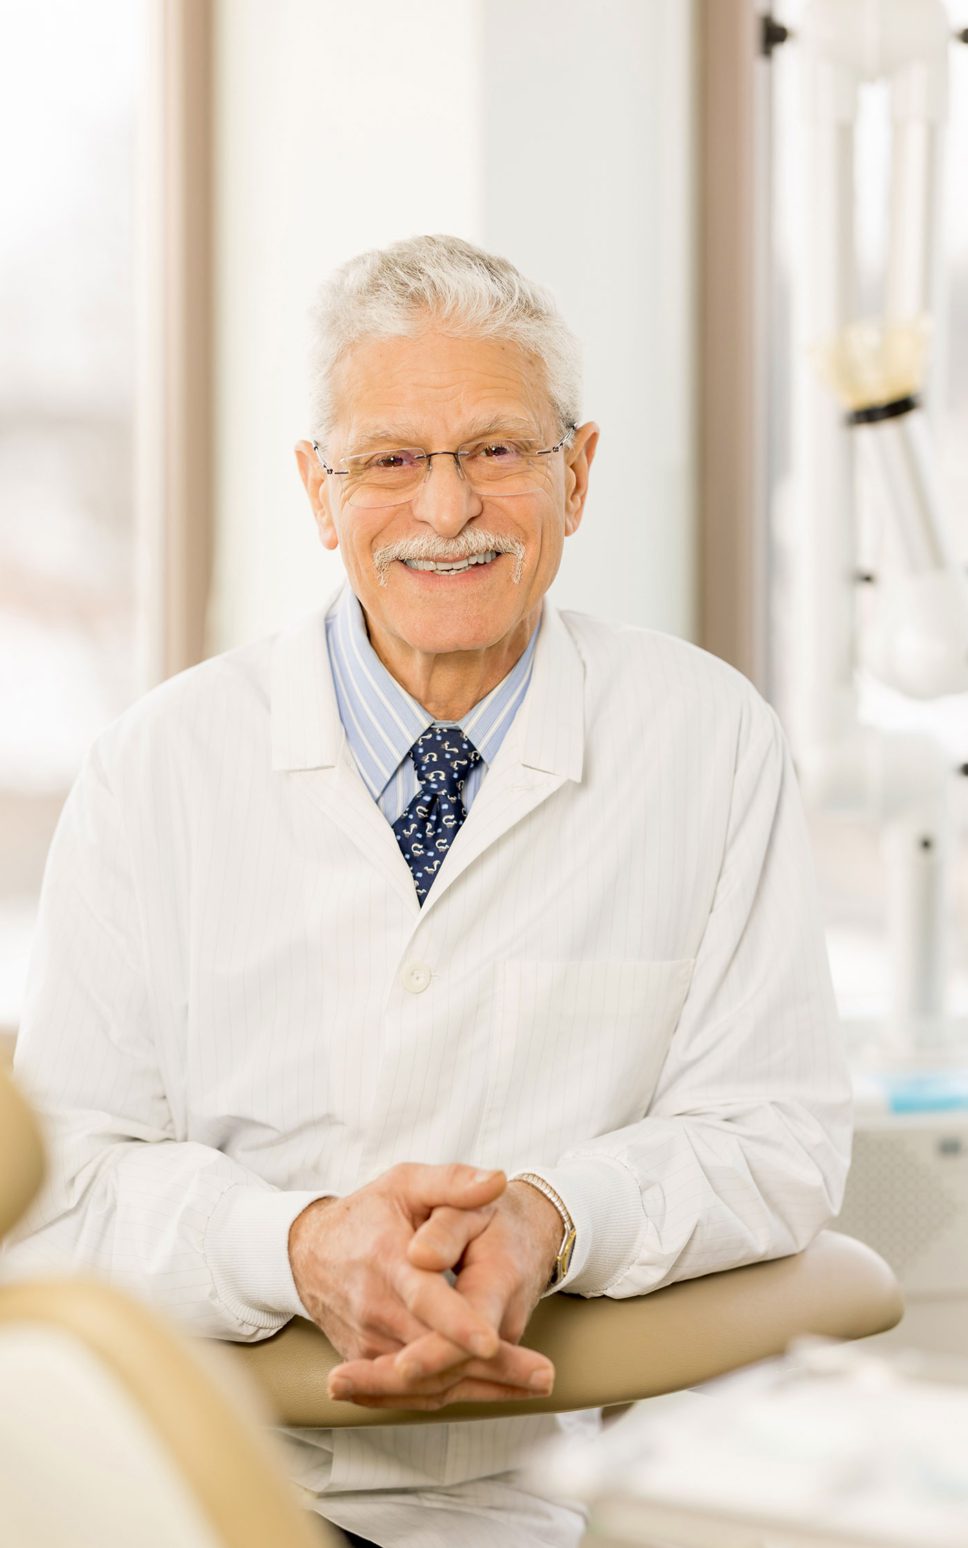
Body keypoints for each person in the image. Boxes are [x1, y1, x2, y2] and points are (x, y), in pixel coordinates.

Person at [6, 234, 852, 1548]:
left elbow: (776, 1135)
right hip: (187, 1490)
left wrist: (555, 1214)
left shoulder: (709, 739)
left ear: (575, 476)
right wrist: (291, 1245)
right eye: (391, 460)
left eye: (497, 452)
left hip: (545, 1505)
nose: (447, 509)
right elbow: (60, 1189)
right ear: (316, 489)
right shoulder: (159, 767)